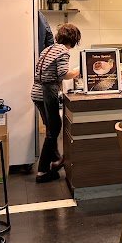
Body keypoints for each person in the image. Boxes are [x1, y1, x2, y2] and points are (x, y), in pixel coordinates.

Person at [31, 23, 81, 183]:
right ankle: (42, 171)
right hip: (47, 92)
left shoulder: (48, 49)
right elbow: (63, 74)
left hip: (36, 92)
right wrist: (79, 70)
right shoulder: (63, 51)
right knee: (54, 129)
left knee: (51, 128)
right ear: (73, 39)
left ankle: (56, 160)